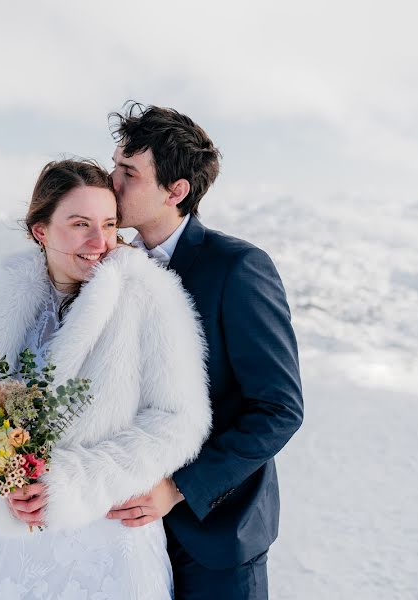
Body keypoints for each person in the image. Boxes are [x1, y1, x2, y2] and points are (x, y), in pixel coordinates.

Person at [0, 159, 211, 599]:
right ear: (42, 230)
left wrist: (77, 482)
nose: (100, 242)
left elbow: (178, 418)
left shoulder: (147, 295)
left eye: (110, 224)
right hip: (22, 546)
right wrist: (3, 477)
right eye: (80, 224)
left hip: (110, 538)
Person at [103, 103, 304, 599]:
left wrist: (178, 488)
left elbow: (279, 408)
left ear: (176, 191)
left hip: (217, 536)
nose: (111, 182)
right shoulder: (110, 267)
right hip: (123, 534)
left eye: (128, 173)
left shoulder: (238, 268)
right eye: (114, 166)